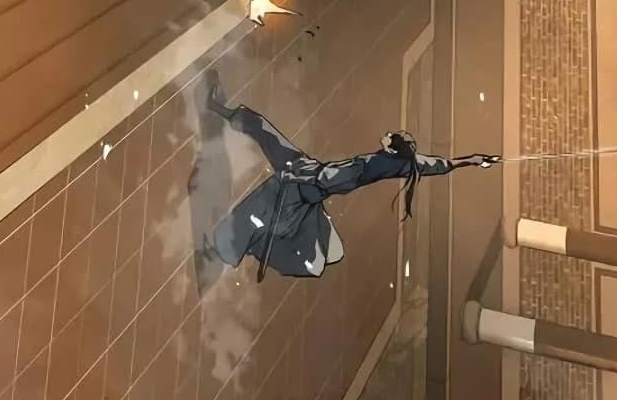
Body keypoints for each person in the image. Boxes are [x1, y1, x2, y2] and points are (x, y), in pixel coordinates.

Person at [203, 80, 496, 282]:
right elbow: (436, 165)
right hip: (304, 170)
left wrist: (293, 178)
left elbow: (325, 180)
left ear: (392, 147)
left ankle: (220, 250)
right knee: (265, 132)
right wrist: (471, 160)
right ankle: (218, 107)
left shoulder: (370, 166)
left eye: (391, 137)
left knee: (258, 212)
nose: (386, 135)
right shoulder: (398, 163)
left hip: (301, 184)